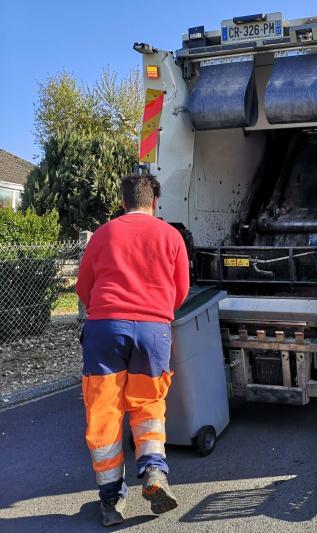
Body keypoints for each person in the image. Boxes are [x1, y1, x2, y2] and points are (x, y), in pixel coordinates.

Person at [76, 174, 190, 527]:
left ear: (123, 201)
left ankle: (111, 500)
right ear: (153, 201)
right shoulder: (170, 235)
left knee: (105, 411)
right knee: (149, 406)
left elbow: (84, 287)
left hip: (105, 329)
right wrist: (155, 314)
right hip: (153, 330)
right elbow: (180, 290)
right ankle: (154, 473)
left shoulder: (103, 234)